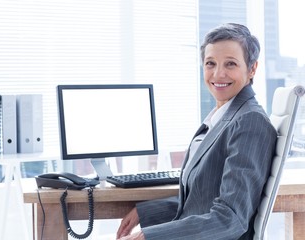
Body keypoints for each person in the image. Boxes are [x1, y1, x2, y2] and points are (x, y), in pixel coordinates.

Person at [116, 23, 277, 240]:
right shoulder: (223, 117)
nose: (218, 74)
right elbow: (202, 198)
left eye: (230, 64)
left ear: (252, 69)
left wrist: (148, 236)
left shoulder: (249, 122)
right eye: (210, 63)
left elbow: (230, 218)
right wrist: (145, 213)